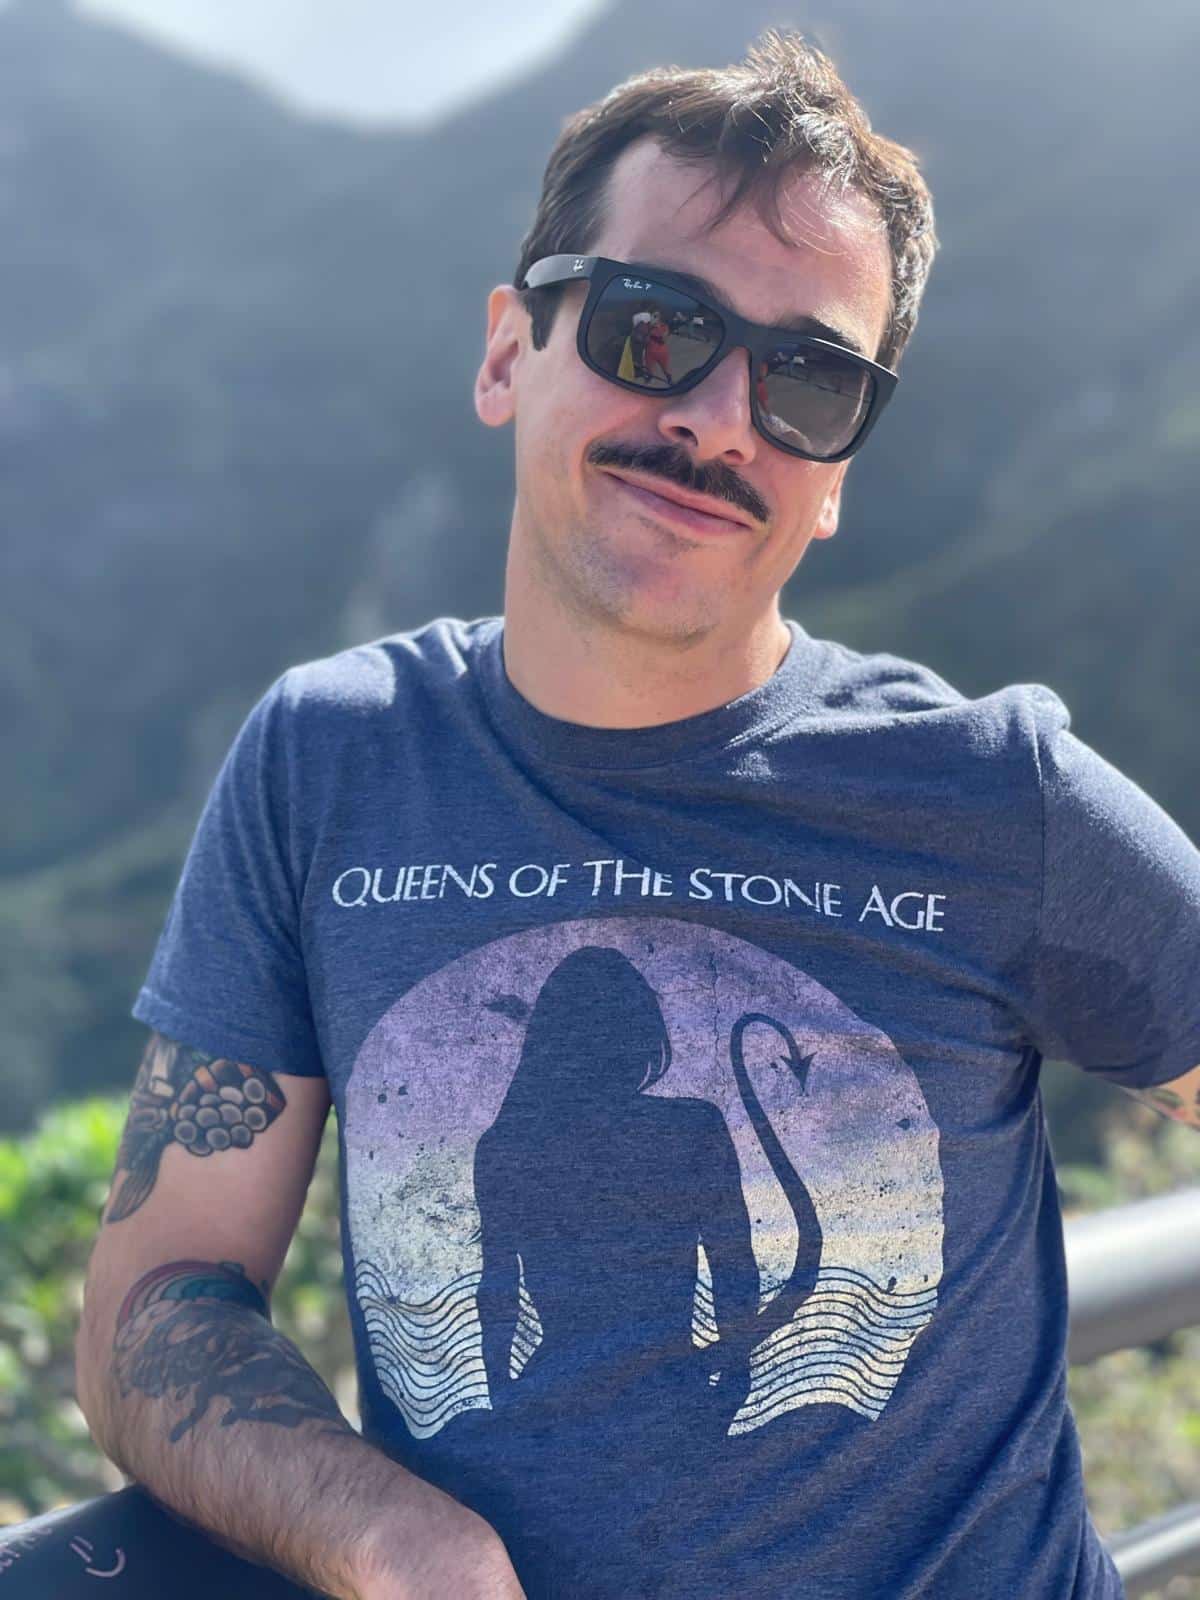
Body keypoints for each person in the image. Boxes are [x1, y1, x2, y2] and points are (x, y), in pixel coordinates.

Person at [7, 24, 1199, 1600]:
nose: (721, 420)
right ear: (511, 351)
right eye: (656, 329)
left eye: (808, 379)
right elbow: (159, 1295)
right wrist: (387, 1537)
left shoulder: (993, 796)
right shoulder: (329, 764)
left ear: (839, 471)